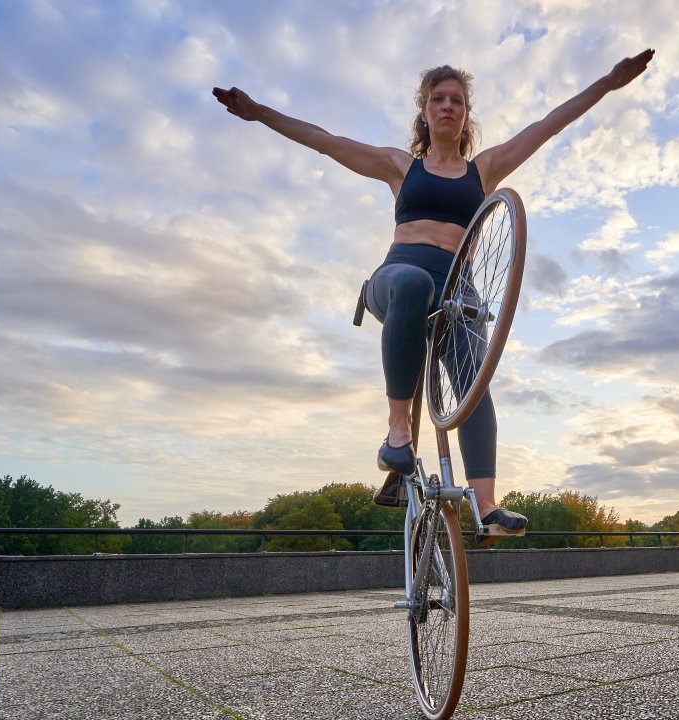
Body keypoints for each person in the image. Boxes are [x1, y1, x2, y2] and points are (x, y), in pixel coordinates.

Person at [213, 50, 655, 542]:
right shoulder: (400, 167)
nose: (448, 106)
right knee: (412, 284)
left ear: (466, 115)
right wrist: (260, 114)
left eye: (458, 101)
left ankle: (485, 505)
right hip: (399, 278)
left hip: (456, 293)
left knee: (474, 376)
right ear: (423, 111)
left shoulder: (483, 170)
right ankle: (398, 434)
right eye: (438, 99)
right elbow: (324, 141)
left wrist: (607, 83)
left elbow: (549, 124)